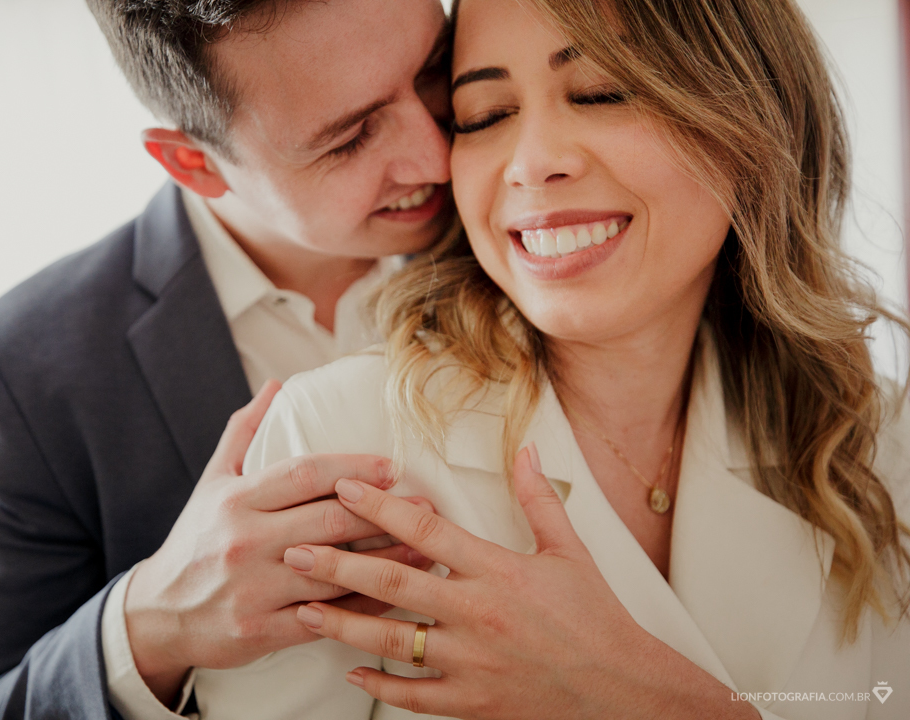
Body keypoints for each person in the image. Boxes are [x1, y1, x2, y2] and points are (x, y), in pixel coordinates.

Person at [189, 0, 910, 718]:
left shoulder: (875, 439)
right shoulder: (336, 438)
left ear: (759, 116)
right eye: (482, 115)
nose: (533, 165)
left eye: (600, 93)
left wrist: (643, 700)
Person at [0, 1, 456, 719]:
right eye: (351, 137)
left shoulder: (533, 223)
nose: (436, 155)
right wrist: (153, 624)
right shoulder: (28, 366)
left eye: (431, 73)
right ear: (193, 162)